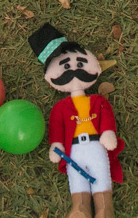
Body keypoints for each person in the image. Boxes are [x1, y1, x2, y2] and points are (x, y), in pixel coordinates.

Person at [29, 23, 122, 218]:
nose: (73, 70)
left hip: (97, 147)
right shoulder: (60, 109)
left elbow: (106, 116)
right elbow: (56, 127)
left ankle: (105, 210)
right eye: (65, 65)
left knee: (101, 178)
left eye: (80, 63)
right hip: (74, 152)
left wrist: (107, 132)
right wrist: (56, 145)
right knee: (78, 182)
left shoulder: (98, 101)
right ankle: (80, 209)